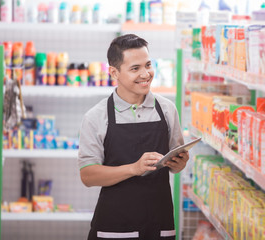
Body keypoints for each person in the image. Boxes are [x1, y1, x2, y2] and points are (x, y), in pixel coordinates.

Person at [78, 34, 189, 240]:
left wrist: (179, 163)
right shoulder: (96, 117)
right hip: (114, 226)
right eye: (135, 68)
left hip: (159, 222)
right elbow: (88, 175)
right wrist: (134, 168)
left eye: (148, 65)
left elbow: (176, 166)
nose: (145, 74)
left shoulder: (166, 110)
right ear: (114, 72)